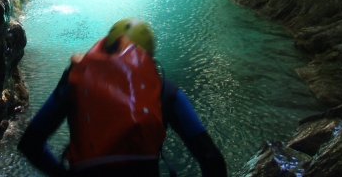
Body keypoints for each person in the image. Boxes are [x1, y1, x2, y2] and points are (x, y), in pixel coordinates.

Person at [18, 18, 228, 177]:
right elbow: (211, 158)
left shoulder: (75, 81)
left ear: (106, 46)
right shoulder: (165, 92)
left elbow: (30, 144)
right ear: (149, 57)